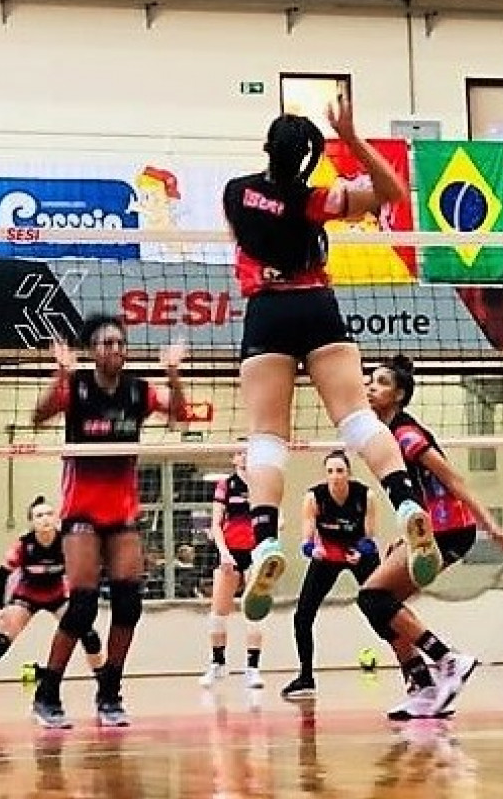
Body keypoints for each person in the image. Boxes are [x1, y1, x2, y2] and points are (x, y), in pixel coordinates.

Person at [220, 96, 441, 627]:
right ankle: (406, 502)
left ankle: (266, 536)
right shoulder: (315, 200)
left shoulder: (236, 192)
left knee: (267, 435)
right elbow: (391, 192)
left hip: (267, 313)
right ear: (308, 156)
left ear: (268, 149)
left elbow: (245, 242)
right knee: (358, 417)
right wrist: (353, 137)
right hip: (315, 304)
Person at [28, 315, 187, 729]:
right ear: (93, 351)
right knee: (81, 606)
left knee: (129, 605)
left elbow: (180, 416)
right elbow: (38, 416)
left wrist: (173, 375)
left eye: (120, 343)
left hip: (123, 512)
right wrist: (57, 374)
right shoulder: (77, 387)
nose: (114, 349)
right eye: (105, 344)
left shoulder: (138, 390)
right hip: (81, 510)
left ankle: (110, 693)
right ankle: (48, 692)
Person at [354, 356, 503, 720]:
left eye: (381, 382)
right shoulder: (383, 435)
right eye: (369, 380)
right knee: (382, 609)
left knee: (373, 597)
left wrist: (492, 529)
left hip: (448, 529)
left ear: (399, 395)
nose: (371, 386)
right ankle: (422, 688)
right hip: (426, 530)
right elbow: (413, 494)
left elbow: (454, 480)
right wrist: (406, 539)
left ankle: (447, 660)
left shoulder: (406, 434)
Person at [0, 497, 105, 710]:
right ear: (32, 522)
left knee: (88, 634)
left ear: (56, 519)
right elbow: (2, 574)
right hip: (27, 596)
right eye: (39, 516)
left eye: (49, 514)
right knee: (1, 640)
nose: (45, 519)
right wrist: (0, 608)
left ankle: (105, 689)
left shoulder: (67, 543)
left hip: (56, 596)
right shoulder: (24, 545)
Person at [280, 450, 380, 701]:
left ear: (349, 473)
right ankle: (305, 677)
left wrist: (360, 551)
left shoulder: (365, 495)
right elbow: (306, 541)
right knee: (302, 615)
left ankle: (413, 671)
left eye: (340, 471)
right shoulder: (314, 497)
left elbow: (370, 538)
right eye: (330, 471)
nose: (335, 476)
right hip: (329, 554)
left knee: (385, 610)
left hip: (358, 552)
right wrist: (314, 550)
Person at [200, 451, 264, 690]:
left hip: (255, 553)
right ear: (233, 459)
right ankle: (217, 663)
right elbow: (216, 524)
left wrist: (265, 549)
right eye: (240, 453)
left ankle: (253, 669)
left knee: (255, 612)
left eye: (249, 452)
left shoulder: (262, 484)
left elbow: (275, 520)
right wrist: (224, 552)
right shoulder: (225, 485)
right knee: (219, 611)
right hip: (230, 553)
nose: (246, 456)